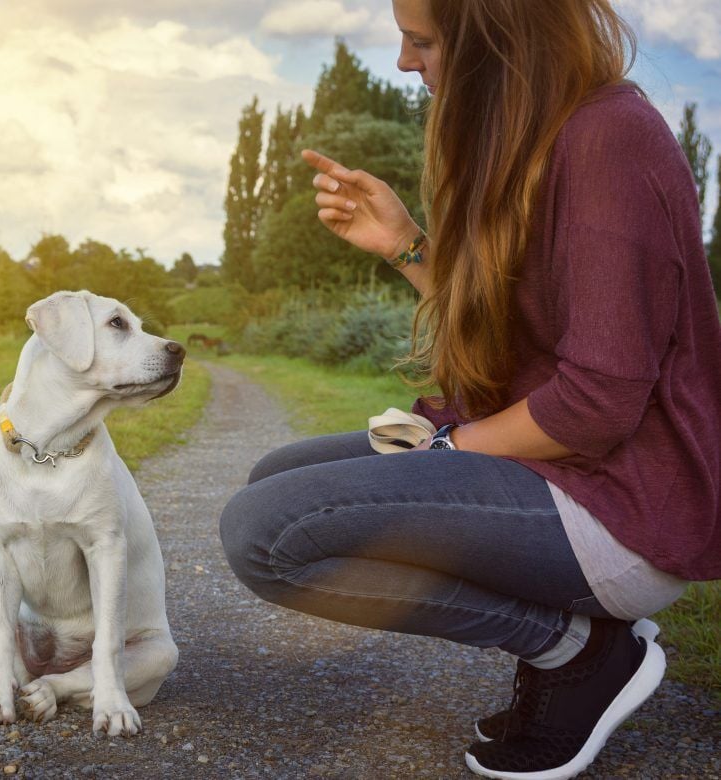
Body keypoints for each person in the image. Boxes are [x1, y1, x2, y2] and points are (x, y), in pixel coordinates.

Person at [218, 1, 721, 778]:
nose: (404, 64)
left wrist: (444, 448)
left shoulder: (609, 139)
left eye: (421, 42)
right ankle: (577, 645)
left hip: (620, 506)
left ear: (497, 41)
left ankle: (577, 650)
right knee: (274, 483)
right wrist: (406, 244)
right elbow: (503, 346)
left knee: (268, 532)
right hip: (556, 472)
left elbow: (598, 401)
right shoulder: (539, 139)